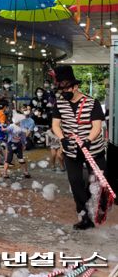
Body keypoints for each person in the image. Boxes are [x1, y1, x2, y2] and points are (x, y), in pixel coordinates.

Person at [51, 65, 106, 230]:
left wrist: (88, 140)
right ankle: (84, 216)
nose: (64, 92)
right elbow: (56, 125)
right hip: (72, 150)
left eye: (67, 88)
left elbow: (97, 126)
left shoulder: (91, 102)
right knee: (75, 183)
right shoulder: (60, 103)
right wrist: (63, 139)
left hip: (93, 150)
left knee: (98, 182)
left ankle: (98, 204)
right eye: (61, 89)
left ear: (75, 86)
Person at [1, 113, 31, 179]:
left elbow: (23, 137)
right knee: (8, 159)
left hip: (18, 145)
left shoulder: (22, 127)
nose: (18, 121)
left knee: (21, 159)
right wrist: (3, 129)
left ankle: (25, 172)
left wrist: (23, 144)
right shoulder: (12, 126)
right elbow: (7, 130)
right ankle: (4, 172)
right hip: (11, 144)